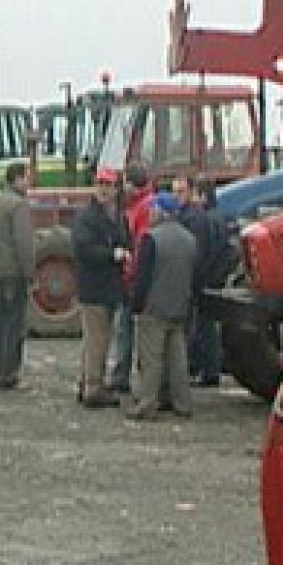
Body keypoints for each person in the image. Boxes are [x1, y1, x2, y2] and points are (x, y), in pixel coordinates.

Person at [124, 190, 198, 420]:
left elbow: (143, 276)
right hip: (180, 306)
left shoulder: (151, 238)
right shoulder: (189, 238)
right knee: (178, 358)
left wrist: (136, 304)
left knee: (151, 358)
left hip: (154, 307)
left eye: (152, 209)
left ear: (159, 211)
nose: (150, 213)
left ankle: (147, 403)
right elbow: (195, 275)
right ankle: (182, 403)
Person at [70, 168, 129, 408]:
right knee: (98, 339)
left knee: (96, 338)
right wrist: (112, 255)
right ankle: (93, 388)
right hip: (94, 286)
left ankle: (87, 382)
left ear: (116, 188)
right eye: (100, 184)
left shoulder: (117, 214)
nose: (104, 189)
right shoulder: (87, 217)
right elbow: (83, 249)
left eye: (108, 184)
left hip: (108, 286)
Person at [0, 161, 35, 389]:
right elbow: (23, 243)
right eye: (27, 177)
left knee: (1, 325)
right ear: (17, 179)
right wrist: (30, 272)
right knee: (14, 326)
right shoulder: (18, 206)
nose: (30, 181)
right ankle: (10, 374)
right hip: (14, 273)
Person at [106, 162, 154, 393]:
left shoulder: (142, 208)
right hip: (132, 274)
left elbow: (141, 245)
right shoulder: (136, 205)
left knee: (127, 328)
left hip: (134, 276)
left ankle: (123, 375)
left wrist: (129, 268)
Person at [177, 176, 228, 387]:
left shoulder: (204, 221)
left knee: (205, 326)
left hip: (207, 279)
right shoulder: (215, 217)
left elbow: (203, 253)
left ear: (203, 196)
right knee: (206, 326)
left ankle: (208, 370)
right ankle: (207, 367)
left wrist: (197, 277)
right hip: (213, 276)